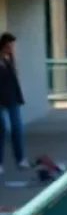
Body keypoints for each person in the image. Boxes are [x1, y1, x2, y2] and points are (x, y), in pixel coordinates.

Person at [0, 33, 28, 174]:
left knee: (17, 127)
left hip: (12, 98)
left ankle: (20, 159)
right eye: (10, 45)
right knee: (2, 128)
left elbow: (13, 79)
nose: (12, 48)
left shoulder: (10, 59)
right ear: (4, 45)